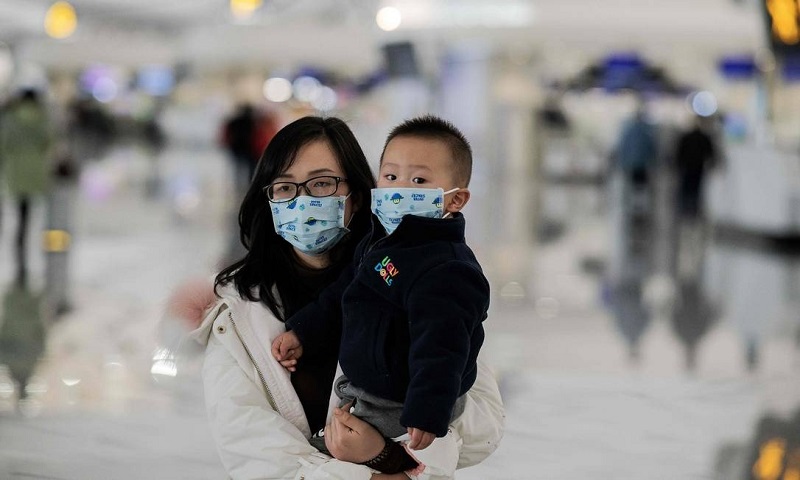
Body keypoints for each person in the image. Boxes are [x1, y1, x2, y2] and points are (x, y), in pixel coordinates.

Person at [176, 116, 504, 479]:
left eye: (322, 184)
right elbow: (263, 462)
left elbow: (479, 427)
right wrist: (383, 471)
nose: (302, 202)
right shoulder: (236, 317)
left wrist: (390, 452)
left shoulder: (424, 275)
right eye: (285, 188)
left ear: (357, 195)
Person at [271, 115, 487, 478]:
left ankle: (390, 464)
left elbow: (444, 347)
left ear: (456, 198)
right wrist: (303, 331)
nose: (400, 188)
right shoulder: (381, 240)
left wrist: (427, 410)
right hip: (368, 387)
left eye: (418, 180)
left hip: (399, 401)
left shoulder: (447, 269)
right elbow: (345, 292)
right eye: (390, 177)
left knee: (346, 456)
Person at [0, 88, 54, 286]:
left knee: (19, 216)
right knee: (34, 216)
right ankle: (41, 256)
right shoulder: (43, 118)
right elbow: (49, 143)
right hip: (37, 172)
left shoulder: (10, 119)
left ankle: (19, 256)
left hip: (15, 172)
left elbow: (3, 144)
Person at [675, 115, 717, 220]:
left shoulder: (686, 137)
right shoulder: (704, 137)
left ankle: (686, 210)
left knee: (687, 188)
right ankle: (693, 210)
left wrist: (678, 164)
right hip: (698, 167)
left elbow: (679, 152)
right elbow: (710, 153)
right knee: (695, 189)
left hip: (688, 167)